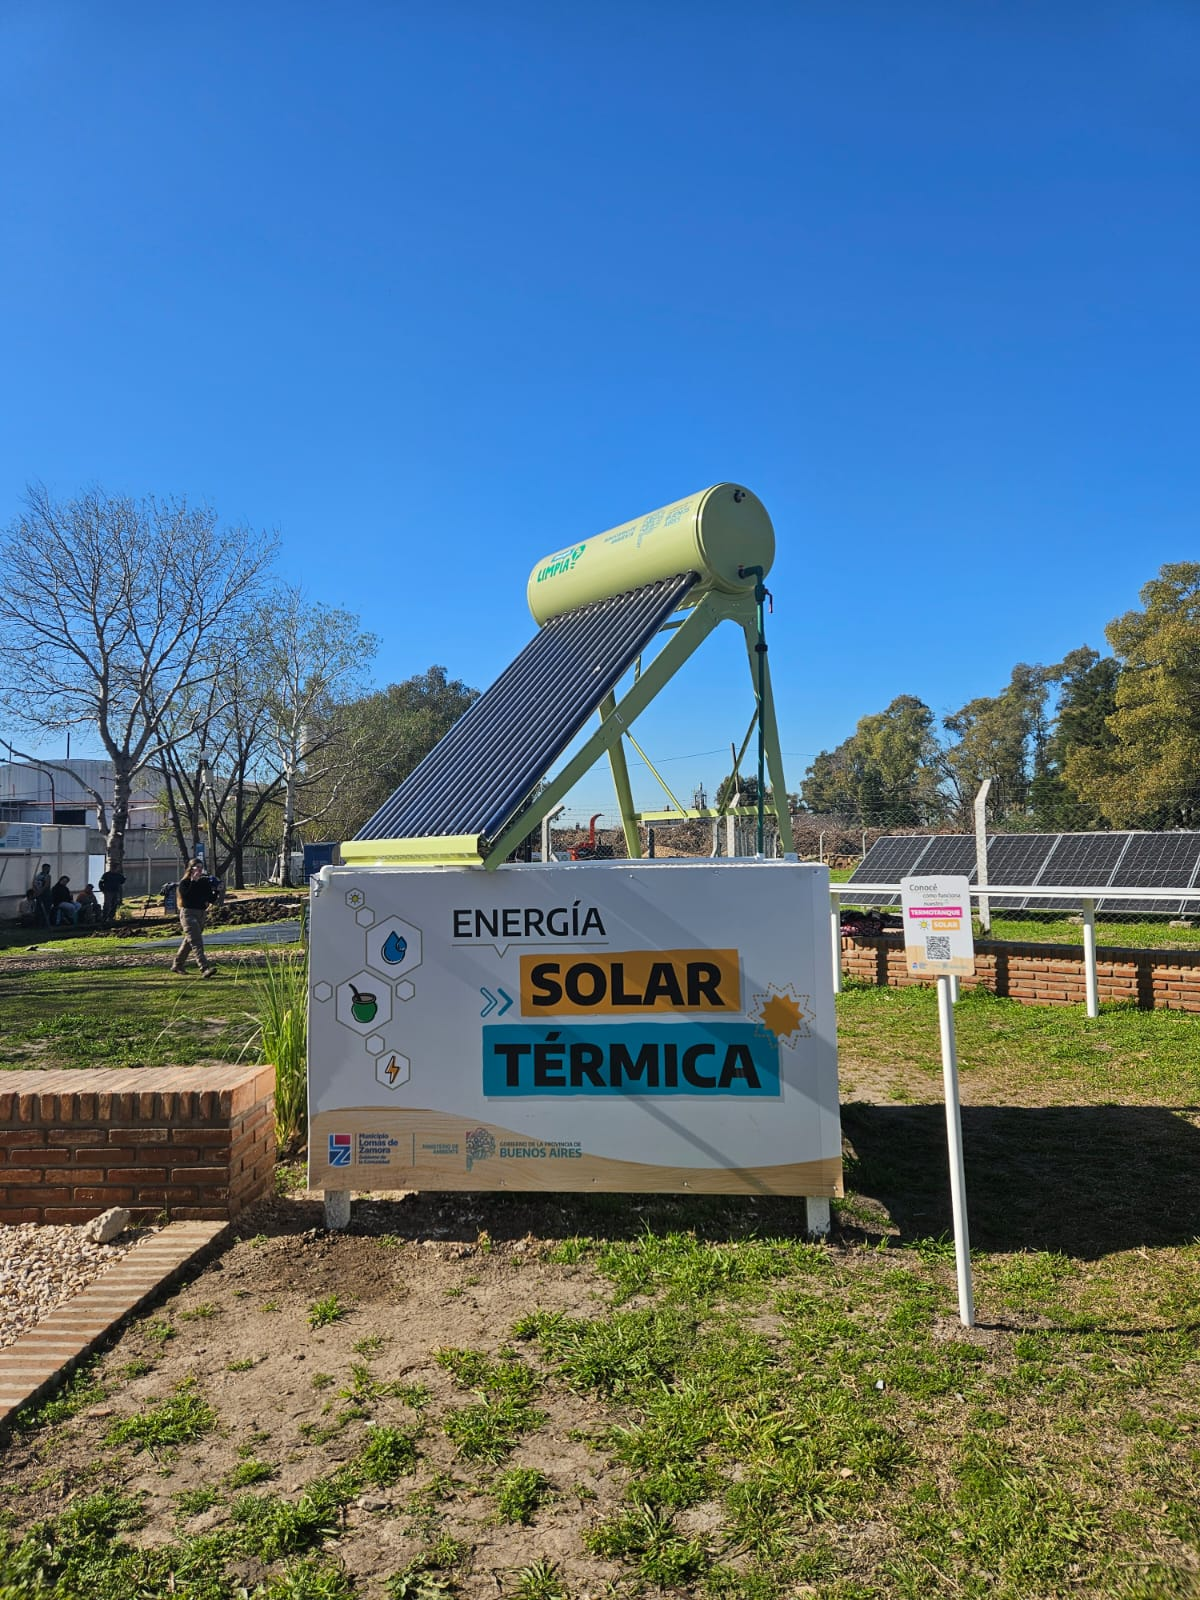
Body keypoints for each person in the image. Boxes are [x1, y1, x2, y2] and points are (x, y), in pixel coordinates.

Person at [171, 858, 218, 977]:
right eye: (197, 867)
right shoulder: (184, 883)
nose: (200, 870)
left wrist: (217, 891)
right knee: (197, 941)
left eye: (201, 867)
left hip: (201, 913)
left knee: (189, 941)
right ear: (191, 869)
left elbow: (210, 899)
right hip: (188, 914)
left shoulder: (204, 882)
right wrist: (193, 881)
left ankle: (177, 964)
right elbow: (187, 896)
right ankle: (204, 968)